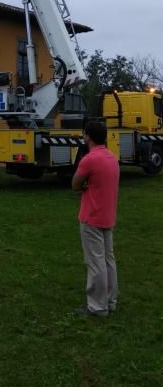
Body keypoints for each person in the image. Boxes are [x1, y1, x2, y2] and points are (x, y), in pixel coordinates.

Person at [72, 121, 120, 317]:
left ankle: (97, 306)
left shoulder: (89, 159)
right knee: (108, 260)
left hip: (91, 216)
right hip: (107, 216)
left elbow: (75, 184)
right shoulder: (111, 157)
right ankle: (110, 300)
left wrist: (83, 187)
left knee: (95, 262)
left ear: (87, 136)